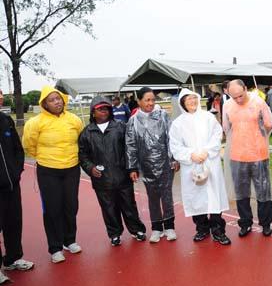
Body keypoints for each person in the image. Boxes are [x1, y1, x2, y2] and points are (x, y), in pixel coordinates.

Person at [22, 86, 84, 264]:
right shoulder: (35, 122)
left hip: (72, 168)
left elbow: (81, 140)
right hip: (48, 170)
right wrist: (45, 157)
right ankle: (55, 247)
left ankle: (69, 240)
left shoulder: (74, 119)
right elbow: (29, 144)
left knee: (71, 206)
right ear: (44, 104)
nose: (57, 102)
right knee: (52, 209)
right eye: (52, 100)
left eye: (58, 98)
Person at [79, 96, 147, 246]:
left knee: (129, 205)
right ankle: (114, 234)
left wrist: (132, 168)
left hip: (123, 176)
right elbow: (83, 155)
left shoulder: (121, 127)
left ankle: (137, 230)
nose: (104, 111)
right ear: (93, 112)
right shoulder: (86, 132)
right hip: (102, 179)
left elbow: (130, 148)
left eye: (107, 108)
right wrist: (90, 168)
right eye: (100, 109)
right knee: (109, 209)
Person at [169, 89, 231, 245]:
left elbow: (217, 135)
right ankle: (202, 228)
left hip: (210, 162)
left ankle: (218, 230)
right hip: (191, 166)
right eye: (187, 100)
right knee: (196, 198)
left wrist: (206, 152)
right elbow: (175, 145)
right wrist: (191, 154)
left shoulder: (208, 117)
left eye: (193, 98)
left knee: (214, 196)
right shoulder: (178, 123)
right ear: (182, 103)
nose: (192, 102)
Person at [125, 87, 179, 243]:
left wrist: (173, 158)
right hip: (146, 165)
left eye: (153, 100)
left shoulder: (162, 116)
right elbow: (130, 145)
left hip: (165, 164)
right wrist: (132, 167)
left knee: (167, 196)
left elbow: (171, 138)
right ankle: (156, 228)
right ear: (139, 101)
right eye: (147, 100)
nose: (150, 103)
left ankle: (169, 226)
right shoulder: (133, 121)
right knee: (153, 197)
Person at [223, 79, 272, 237]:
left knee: (263, 191)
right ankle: (245, 223)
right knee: (241, 193)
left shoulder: (258, 102)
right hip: (237, 155)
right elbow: (226, 127)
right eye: (234, 97)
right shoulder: (227, 105)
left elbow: (269, 124)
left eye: (240, 95)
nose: (238, 99)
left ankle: (265, 224)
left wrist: (260, 131)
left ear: (246, 89)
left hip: (258, 154)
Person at [0, 110, 34, 285]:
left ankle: (13, 258)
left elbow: (17, 149)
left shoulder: (6, 120)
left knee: (14, 222)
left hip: (12, 184)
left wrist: (16, 171)